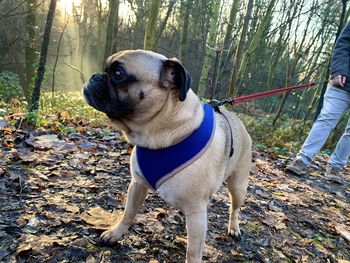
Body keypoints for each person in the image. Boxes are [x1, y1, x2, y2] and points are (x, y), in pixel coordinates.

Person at [285, 22, 350, 183]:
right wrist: (338, 70)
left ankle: (335, 166)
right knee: (326, 118)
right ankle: (302, 159)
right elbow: (343, 45)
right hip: (342, 83)